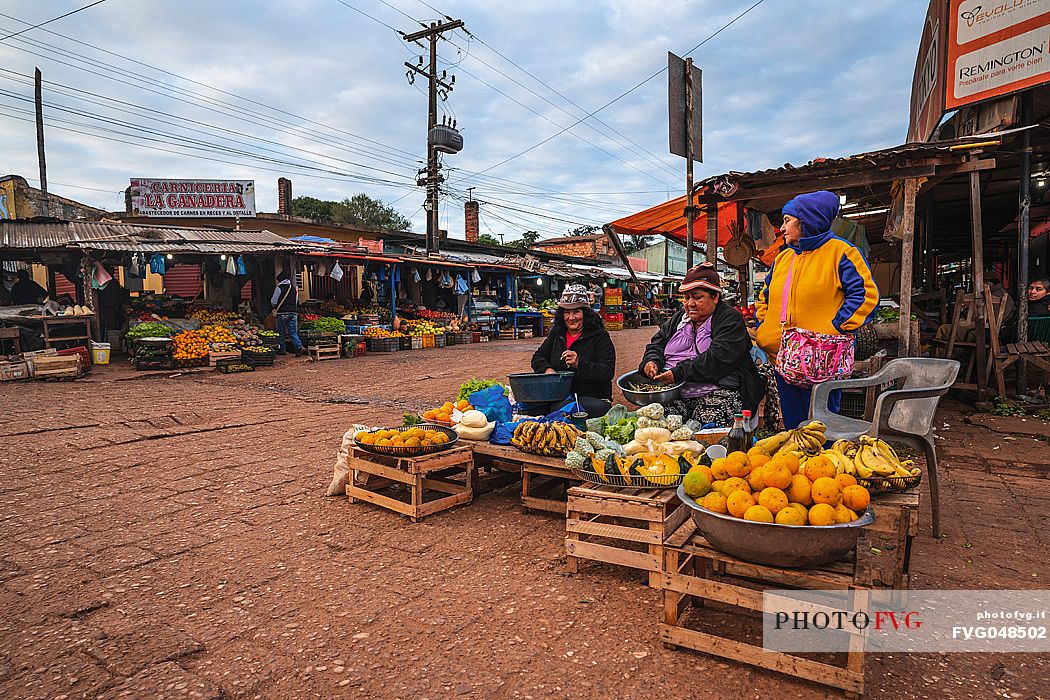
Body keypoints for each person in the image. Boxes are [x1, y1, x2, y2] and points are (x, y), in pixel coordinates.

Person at [755, 190, 879, 429]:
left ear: (806, 221)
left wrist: (835, 328)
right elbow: (765, 296)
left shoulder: (842, 253)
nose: (782, 228)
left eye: (787, 220)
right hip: (784, 359)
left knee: (822, 428)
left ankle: (823, 465)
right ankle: (798, 464)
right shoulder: (783, 259)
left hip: (823, 361)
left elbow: (865, 296)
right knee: (794, 426)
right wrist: (764, 327)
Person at [640, 263, 765, 427]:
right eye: (686, 298)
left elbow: (719, 358)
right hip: (675, 392)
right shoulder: (679, 319)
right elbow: (657, 343)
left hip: (720, 390)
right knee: (655, 422)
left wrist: (679, 372)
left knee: (706, 423)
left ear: (715, 297)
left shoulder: (730, 320)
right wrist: (652, 361)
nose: (690, 303)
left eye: (697, 297)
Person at [530, 283, 616, 418]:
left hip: (593, 397)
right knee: (530, 407)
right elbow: (538, 357)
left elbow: (607, 371)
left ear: (585, 313)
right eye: (567, 312)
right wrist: (547, 370)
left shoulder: (599, 336)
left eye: (576, 312)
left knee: (559, 410)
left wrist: (579, 364)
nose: (571, 318)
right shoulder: (557, 333)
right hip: (559, 394)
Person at [271, 270, 303, 356]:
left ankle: (282, 349)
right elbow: (296, 301)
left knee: (281, 332)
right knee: (293, 332)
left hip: (282, 313)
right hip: (293, 312)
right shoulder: (293, 288)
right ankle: (298, 346)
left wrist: (275, 306)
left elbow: (274, 301)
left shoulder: (279, 288)